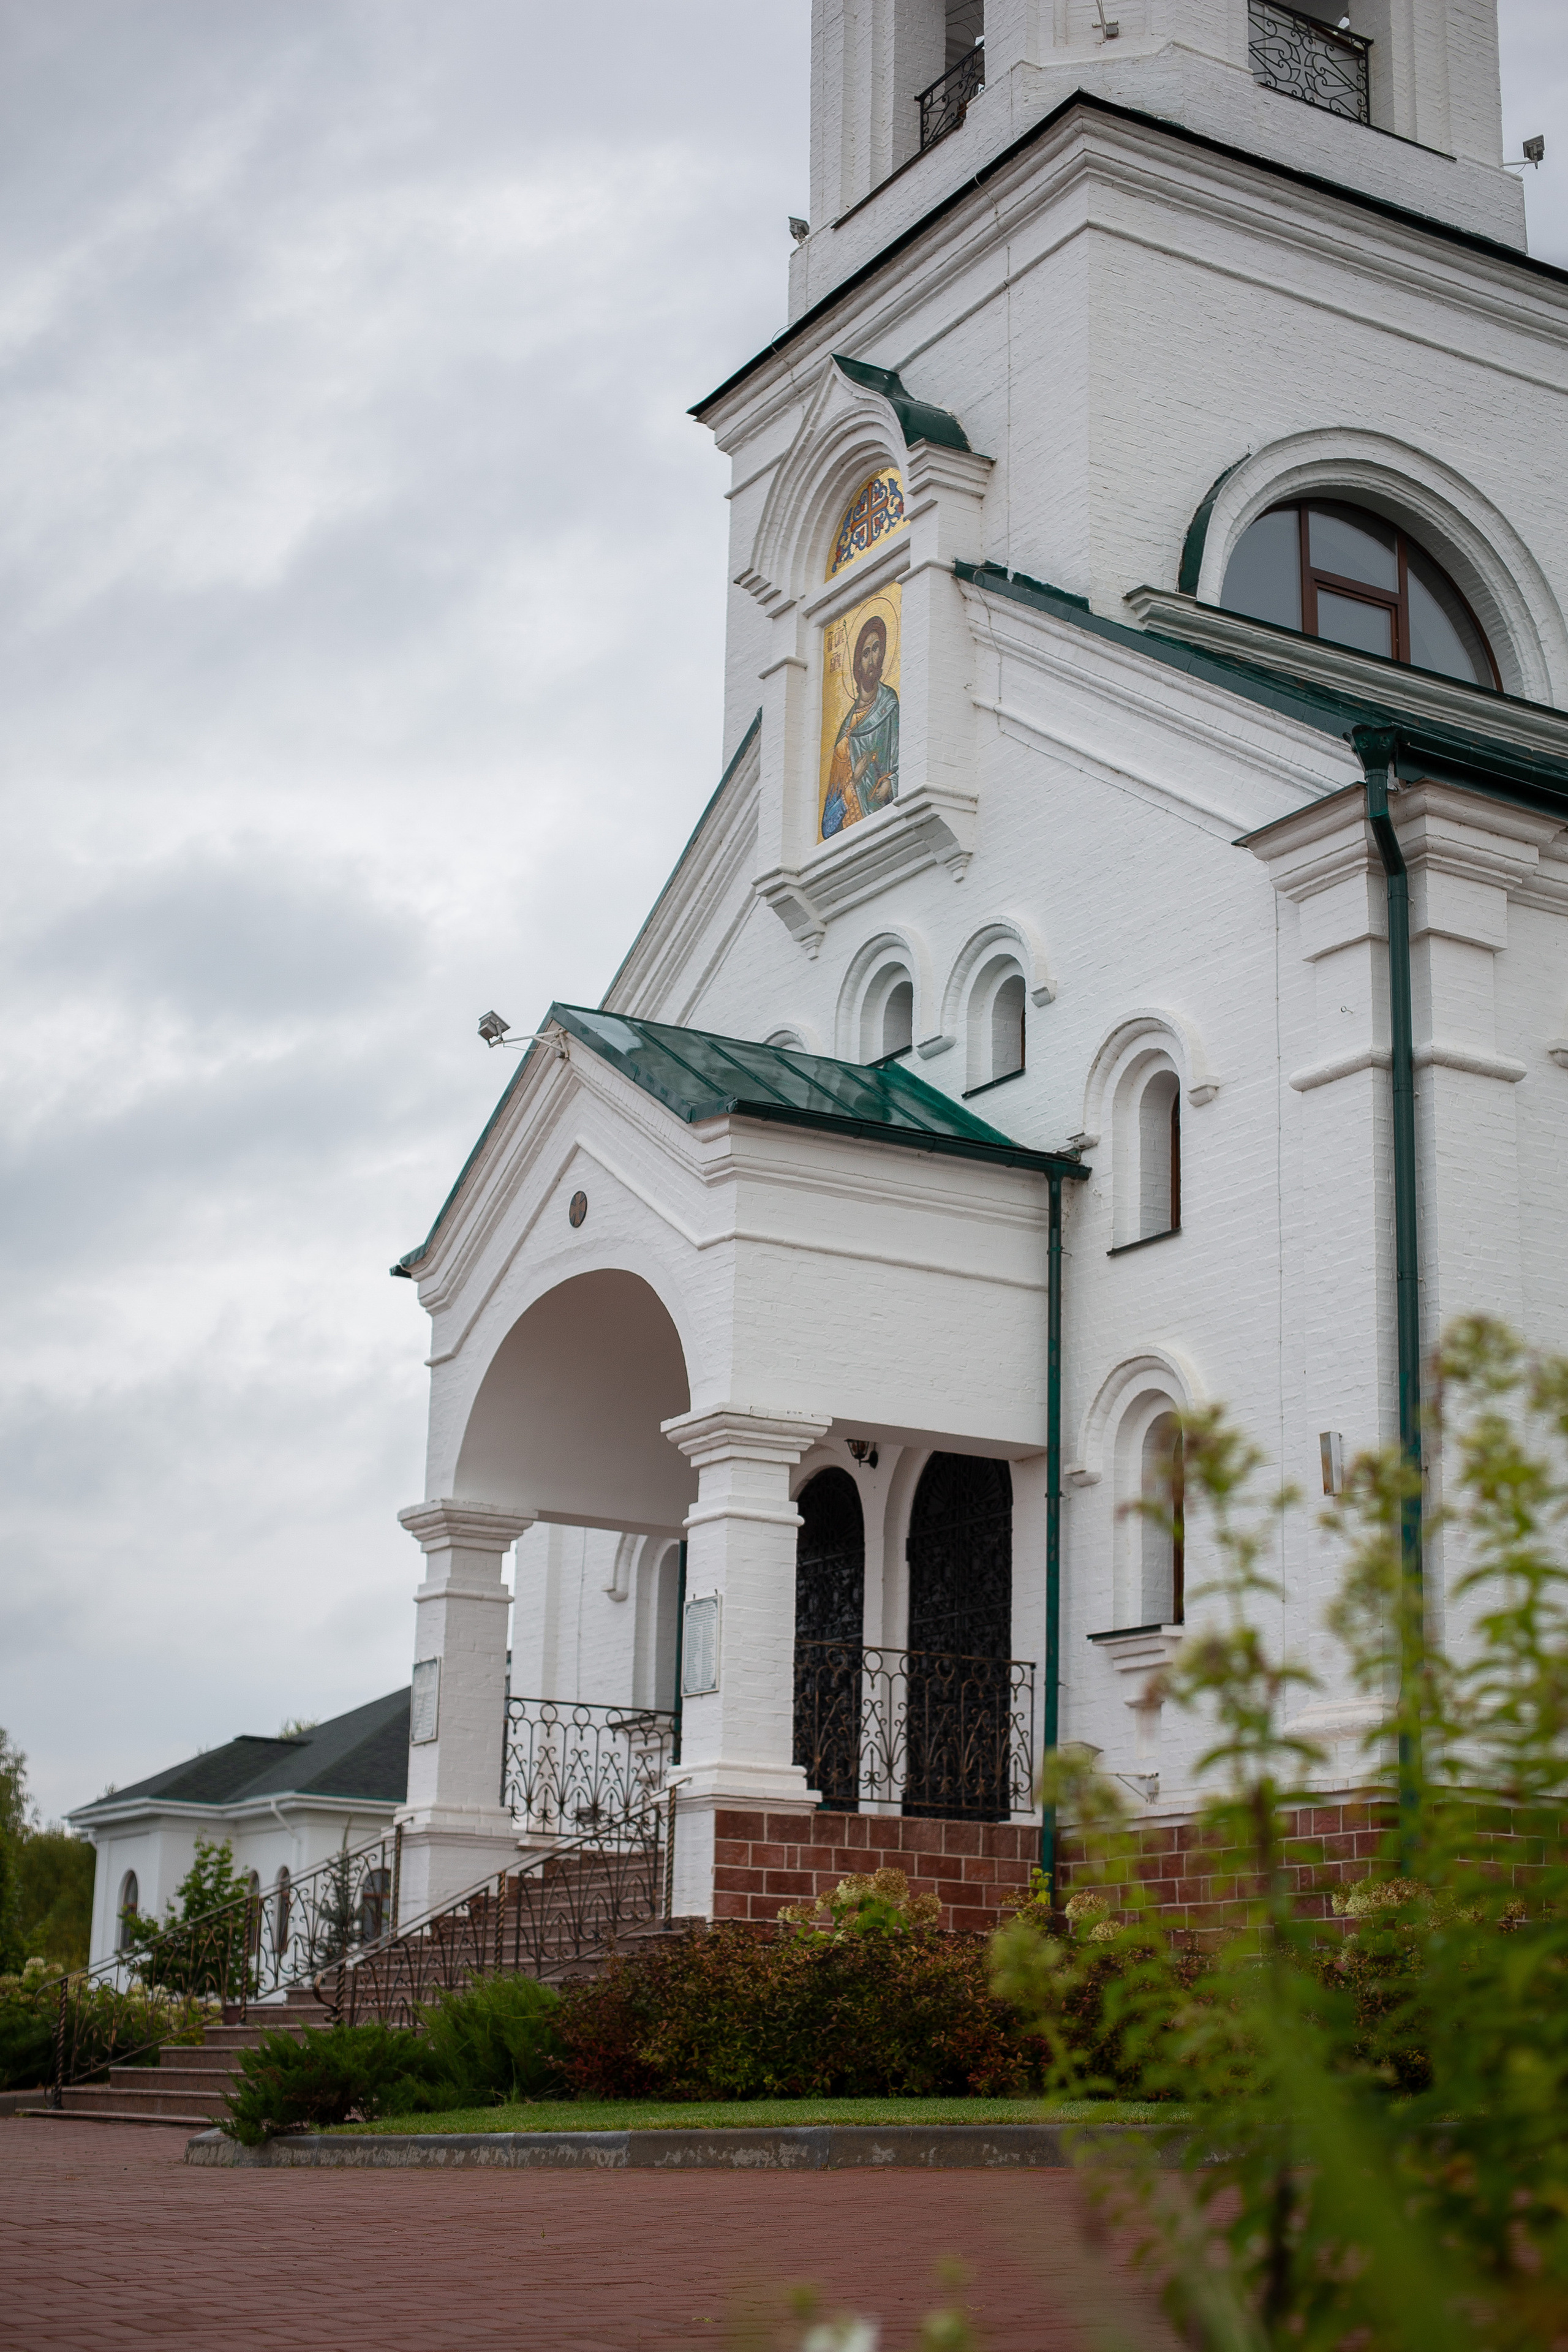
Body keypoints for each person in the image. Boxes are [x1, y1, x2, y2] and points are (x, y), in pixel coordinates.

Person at [821, 614, 899, 838]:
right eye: (866, 653)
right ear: (857, 664)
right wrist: (854, 780)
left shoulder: (890, 706)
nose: (873, 659)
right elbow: (828, 824)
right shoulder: (846, 727)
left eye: (877, 649)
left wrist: (892, 785)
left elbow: (905, 763)